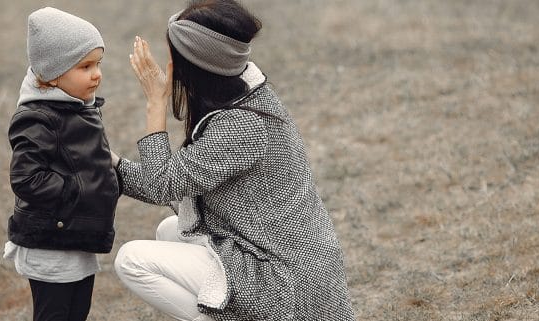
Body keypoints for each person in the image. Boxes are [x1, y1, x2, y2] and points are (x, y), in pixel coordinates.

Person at [110, 0, 355, 320]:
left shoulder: (241, 125)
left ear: (196, 64)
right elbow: (176, 180)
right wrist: (110, 165)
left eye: (174, 54)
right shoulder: (246, 96)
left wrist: (156, 103)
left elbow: (163, 186)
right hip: (276, 259)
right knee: (172, 230)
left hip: (287, 284)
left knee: (131, 260)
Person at [2, 7, 119, 321]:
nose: (96, 74)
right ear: (53, 73)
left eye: (98, 64)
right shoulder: (37, 117)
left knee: (77, 312)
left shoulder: (80, 108)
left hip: (76, 238)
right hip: (51, 243)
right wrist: (75, 191)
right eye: (85, 66)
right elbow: (26, 178)